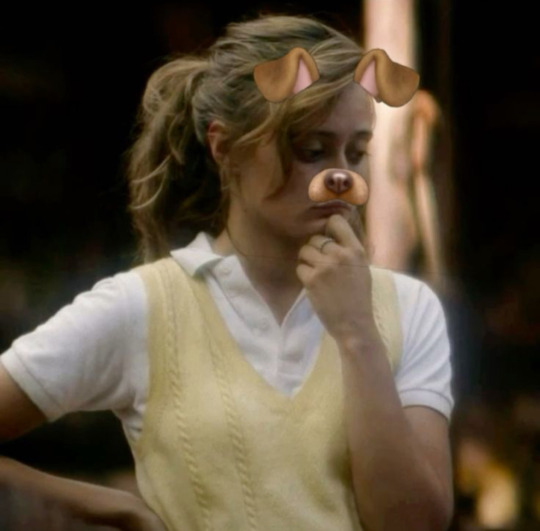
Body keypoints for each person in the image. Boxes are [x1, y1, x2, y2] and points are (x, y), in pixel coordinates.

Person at [0, 13, 454, 531]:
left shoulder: (407, 308)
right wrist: (107, 505)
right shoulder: (147, 306)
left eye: (357, 152)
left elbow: (415, 522)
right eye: (311, 150)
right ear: (224, 147)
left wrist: (357, 334)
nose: (341, 176)